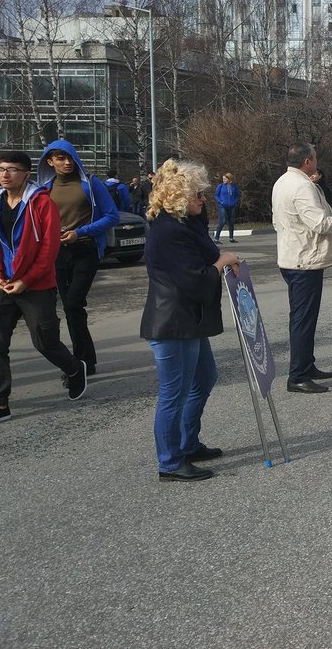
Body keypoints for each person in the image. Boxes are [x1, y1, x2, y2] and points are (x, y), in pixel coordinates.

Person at [141, 159, 239, 482]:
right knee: (174, 393)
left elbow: (208, 253)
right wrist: (223, 261)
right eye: (197, 195)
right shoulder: (169, 230)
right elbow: (196, 279)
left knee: (204, 378)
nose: (203, 200)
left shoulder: (185, 223)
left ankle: (188, 442)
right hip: (173, 323)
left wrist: (221, 258)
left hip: (188, 320)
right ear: (181, 197)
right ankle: (169, 461)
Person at [0, 151, 88, 426]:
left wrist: (26, 280)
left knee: (45, 341)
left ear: (26, 174)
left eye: (12, 169)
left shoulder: (41, 202)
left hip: (36, 285)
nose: (5, 174)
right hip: (4, 283)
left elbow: (49, 248)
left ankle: (75, 369)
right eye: (0, 169)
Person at [272, 142, 332, 394]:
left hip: (294, 256)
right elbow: (321, 223)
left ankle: (306, 365)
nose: (317, 162)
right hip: (303, 261)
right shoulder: (301, 186)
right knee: (303, 320)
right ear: (307, 161)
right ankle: (297, 375)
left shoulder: (283, 181)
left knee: (304, 318)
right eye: (314, 158)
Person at [36, 139, 120, 376]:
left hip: (85, 249)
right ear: (50, 161)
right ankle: (85, 362)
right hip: (57, 253)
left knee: (73, 303)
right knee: (71, 308)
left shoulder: (90, 183)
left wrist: (80, 232)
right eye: (60, 159)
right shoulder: (44, 188)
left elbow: (111, 216)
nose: (67, 163)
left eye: (70, 157)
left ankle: (81, 362)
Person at [213, 172, 241, 243]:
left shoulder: (234, 186)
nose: (224, 180)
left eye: (225, 179)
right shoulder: (220, 186)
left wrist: (234, 202)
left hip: (231, 206)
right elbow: (216, 195)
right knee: (222, 221)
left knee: (231, 222)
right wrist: (220, 202)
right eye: (223, 179)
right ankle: (216, 238)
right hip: (222, 206)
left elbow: (237, 195)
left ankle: (231, 238)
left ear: (229, 179)